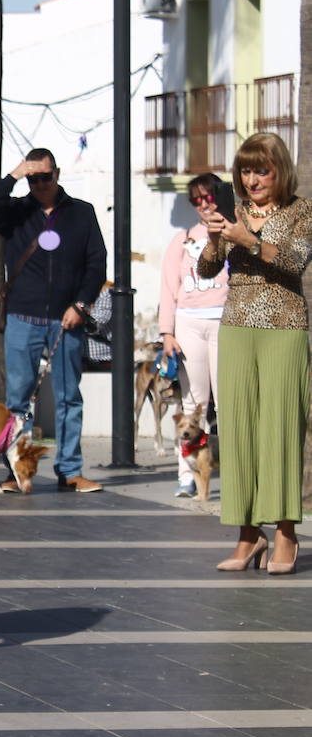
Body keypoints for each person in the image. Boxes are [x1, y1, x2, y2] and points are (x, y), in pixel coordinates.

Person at [196, 133, 312, 575]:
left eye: (261, 169)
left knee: (280, 430)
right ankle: (248, 534)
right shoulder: (235, 213)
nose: (252, 179)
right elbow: (207, 269)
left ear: (278, 170)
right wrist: (214, 236)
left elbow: (293, 262)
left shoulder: (302, 211)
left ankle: (285, 534)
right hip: (238, 327)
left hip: (285, 328)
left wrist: (247, 238)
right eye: (246, 170)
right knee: (239, 429)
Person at [0, 147, 107, 493]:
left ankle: (70, 471)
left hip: (65, 319)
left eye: (45, 177)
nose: (40, 185)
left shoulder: (82, 213)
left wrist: (80, 305)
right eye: (33, 179)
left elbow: (96, 263)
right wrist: (13, 175)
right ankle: (16, 471)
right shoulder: (16, 212)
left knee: (68, 397)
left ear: (58, 174)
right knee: (18, 400)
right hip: (22, 316)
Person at [158, 173, 229, 497]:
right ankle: (186, 474)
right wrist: (166, 332)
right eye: (196, 200)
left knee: (229, 402)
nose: (203, 204)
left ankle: (235, 474)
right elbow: (168, 288)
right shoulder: (183, 238)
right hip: (188, 324)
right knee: (192, 401)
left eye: (208, 197)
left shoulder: (234, 232)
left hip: (226, 323)